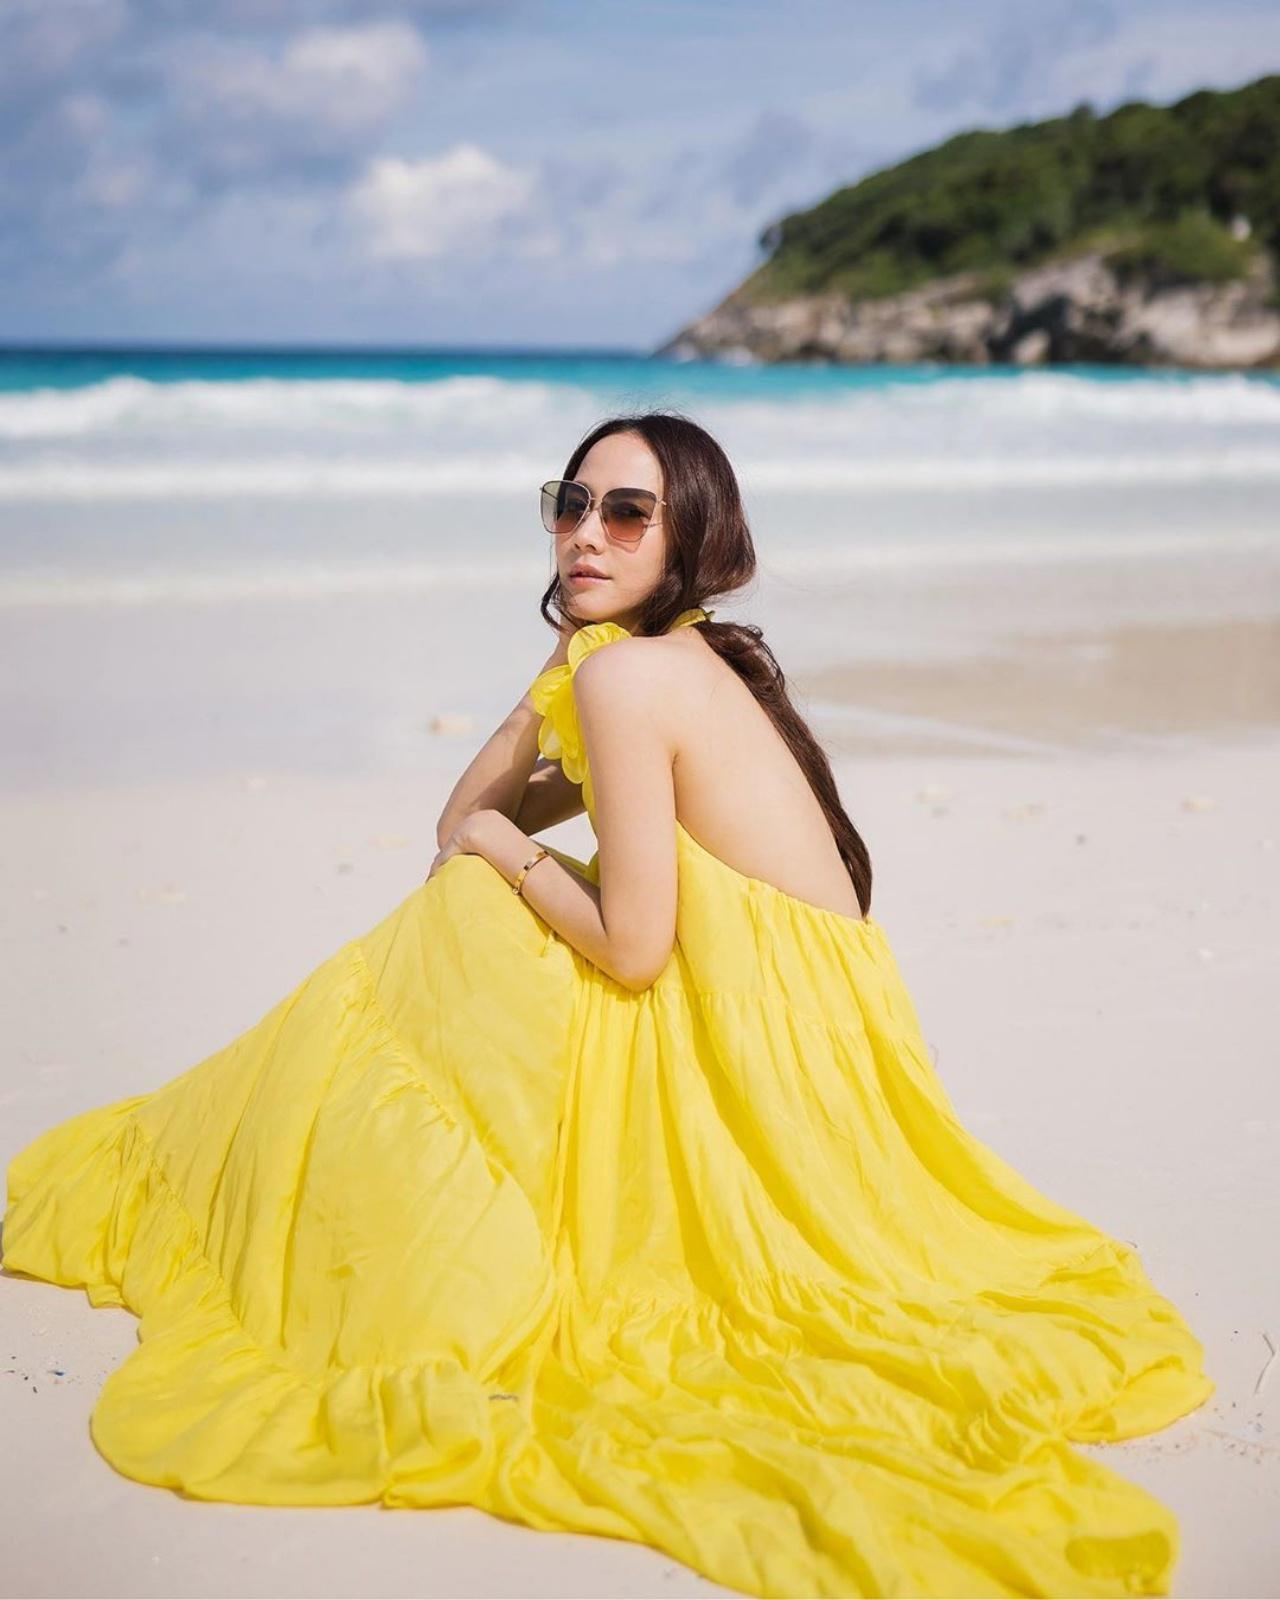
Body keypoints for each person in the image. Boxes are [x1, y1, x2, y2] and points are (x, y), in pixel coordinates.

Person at [2, 412, 1213, 1599]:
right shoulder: (645, 662)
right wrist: (547, 686)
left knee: (466, 910)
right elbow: (464, 813)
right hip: (809, 1026)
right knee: (473, 897)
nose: (585, 533)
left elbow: (619, 940)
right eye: (569, 505)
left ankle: (329, 1190)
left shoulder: (637, 678)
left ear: (690, 536)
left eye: (627, 512)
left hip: (764, 1047)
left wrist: (503, 845)